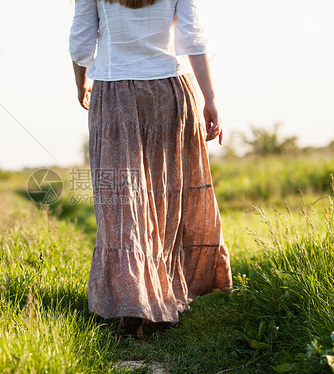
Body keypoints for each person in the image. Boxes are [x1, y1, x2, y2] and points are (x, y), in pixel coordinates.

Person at [69, 0, 233, 339]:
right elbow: (194, 39)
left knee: (121, 200)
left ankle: (135, 304)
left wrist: (80, 81)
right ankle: (159, 298)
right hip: (170, 90)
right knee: (166, 200)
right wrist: (211, 99)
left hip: (114, 90)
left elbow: (81, 42)